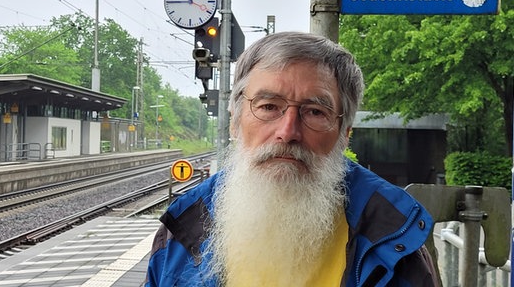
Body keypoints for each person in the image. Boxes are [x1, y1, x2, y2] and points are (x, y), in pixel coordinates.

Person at [145, 32, 439, 286]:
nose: (288, 132)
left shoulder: (393, 239)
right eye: (269, 106)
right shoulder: (181, 229)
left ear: (344, 134)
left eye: (314, 112)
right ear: (235, 121)